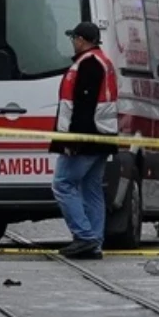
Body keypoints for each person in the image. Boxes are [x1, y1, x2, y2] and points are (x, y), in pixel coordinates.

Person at [51, 22, 119, 259]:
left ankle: (85, 236)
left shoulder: (88, 64)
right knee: (91, 189)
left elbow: (80, 107)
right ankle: (95, 241)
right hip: (101, 136)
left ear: (81, 39)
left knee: (63, 184)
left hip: (86, 138)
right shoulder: (102, 62)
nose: (73, 42)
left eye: (74, 38)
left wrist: (70, 141)